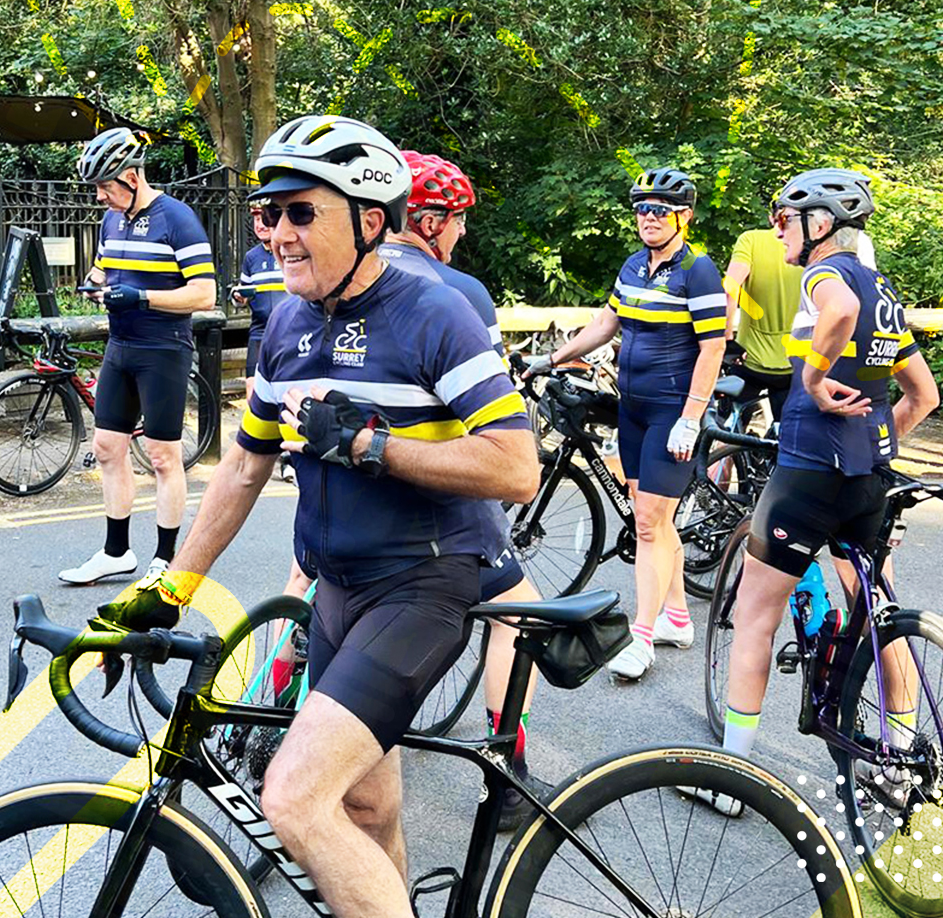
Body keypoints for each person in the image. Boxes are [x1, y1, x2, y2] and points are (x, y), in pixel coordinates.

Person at [163, 115, 538, 918]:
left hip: (423, 584)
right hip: (338, 592)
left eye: (303, 212)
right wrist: (171, 588)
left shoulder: (435, 314)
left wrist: (376, 447)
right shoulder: (289, 325)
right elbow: (244, 464)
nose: (278, 234)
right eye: (270, 214)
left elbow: (516, 467)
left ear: (372, 221)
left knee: (294, 800)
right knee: (364, 810)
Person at [698, 169, 939, 815]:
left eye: (786, 216)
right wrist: (876, 437)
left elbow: (837, 311)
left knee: (753, 618)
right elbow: (925, 394)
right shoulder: (884, 287)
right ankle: (900, 755)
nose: (777, 225)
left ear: (822, 224)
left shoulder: (823, 274)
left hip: (808, 473)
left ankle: (731, 782)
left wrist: (810, 375)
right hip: (871, 479)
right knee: (881, 614)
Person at [376, 149, 546, 828]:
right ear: (429, 219)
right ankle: (508, 774)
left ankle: (267, 724)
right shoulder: (461, 294)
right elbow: (496, 413)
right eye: (459, 220)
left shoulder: (343, 275)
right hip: (433, 504)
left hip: (340, 486)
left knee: (306, 589)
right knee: (519, 612)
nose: (464, 234)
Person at [530, 168, 728, 681]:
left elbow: (713, 345)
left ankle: (640, 636)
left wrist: (690, 416)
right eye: (642, 208)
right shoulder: (635, 265)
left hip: (671, 412)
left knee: (646, 524)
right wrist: (552, 360)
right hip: (634, 408)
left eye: (660, 209)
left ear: (684, 215)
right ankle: (678, 617)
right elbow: (605, 324)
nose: (649, 218)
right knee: (656, 523)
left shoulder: (698, 269)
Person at [59, 127, 217, 585]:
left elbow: (204, 294)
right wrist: (94, 286)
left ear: (132, 176)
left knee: (164, 456)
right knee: (107, 447)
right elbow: (104, 270)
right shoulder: (112, 220)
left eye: (107, 187)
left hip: (163, 348)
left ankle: (166, 558)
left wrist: (142, 298)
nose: (100, 196)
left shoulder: (177, 218)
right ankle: (116, 551)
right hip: (120, 347)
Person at [722, 214, 805, 424]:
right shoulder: (810, 248)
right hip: (796, 362)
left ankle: (729, 455)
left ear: (771, 217)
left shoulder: (751, 239)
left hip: (749, 359)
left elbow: (731, 288)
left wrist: (727, 336)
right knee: (786, 436)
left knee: (731, 428)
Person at [235, 198, 286, 401]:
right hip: (260, 332)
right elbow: (242, 298)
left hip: (289, 331)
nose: (259, 224)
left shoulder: (290, 250)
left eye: (264, 217)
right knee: (253, 391)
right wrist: (238, 297)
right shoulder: (251, 257)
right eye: (255, 218)